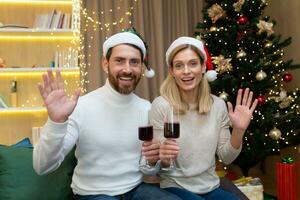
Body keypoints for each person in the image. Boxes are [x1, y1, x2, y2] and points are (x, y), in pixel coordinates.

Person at [33, 30, 182, 200]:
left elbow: (147, 168)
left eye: (134, 62)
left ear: (142, 67)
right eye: (119, 61)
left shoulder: (145, 108)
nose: (127, 69)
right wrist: (56, 122)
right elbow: (42, 166)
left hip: (135, 190)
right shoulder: (81, 106)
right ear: (105, 63)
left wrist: (151, 160)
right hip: (93, 194)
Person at [149, 36, 258, 200]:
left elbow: (226, 157)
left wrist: (238, 130)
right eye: (179, 65)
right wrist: (163, 158)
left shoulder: (218, 105)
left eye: (193, 63)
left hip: (211, 186)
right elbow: (160, 166)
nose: (186, 71)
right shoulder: (162, 106)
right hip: (175, 186)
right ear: (172, 71)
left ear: (202, 67)